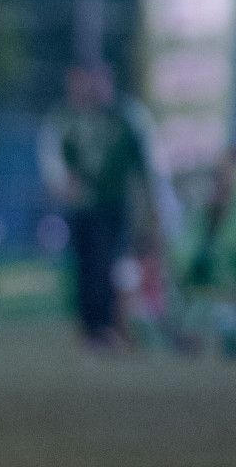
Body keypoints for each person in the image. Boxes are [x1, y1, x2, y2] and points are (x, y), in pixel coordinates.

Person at [37, 65, 174, 350]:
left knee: (111, 266)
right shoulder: (67, 117)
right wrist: (63, 183)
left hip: (117, 204)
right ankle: (93, 328)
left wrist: (155, 204)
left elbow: (148, 163)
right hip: (83, 207)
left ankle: (112, 327)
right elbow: (54, 156)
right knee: (88, 268)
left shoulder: (126, 116)